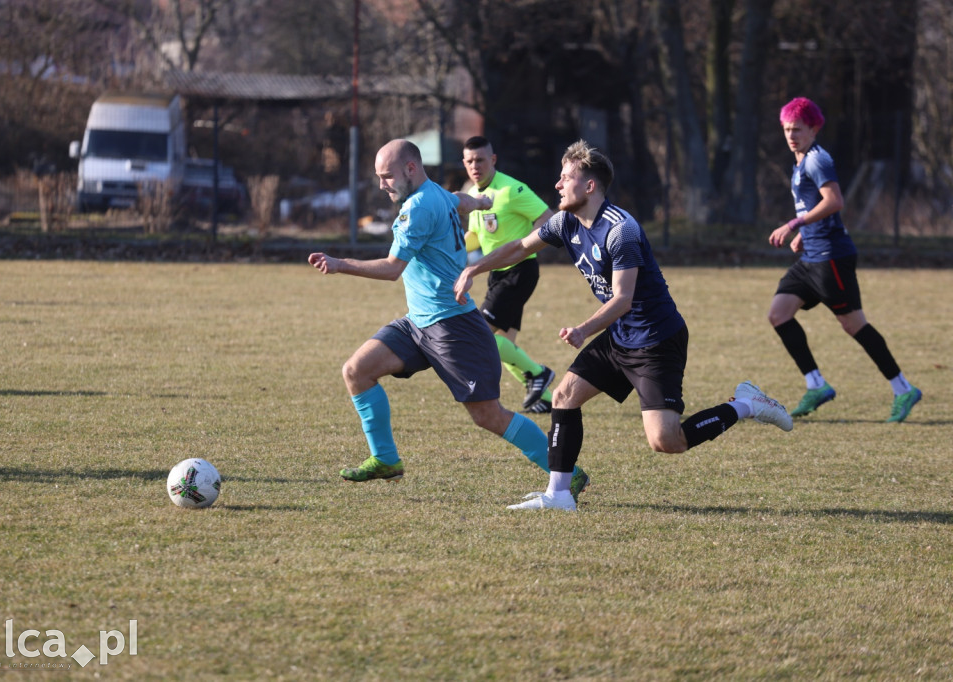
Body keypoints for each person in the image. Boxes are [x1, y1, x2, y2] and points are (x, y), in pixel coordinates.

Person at [454, 139, 793, 511]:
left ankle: (746, 404)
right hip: (620, 335)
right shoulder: (566, 221)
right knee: (565, 396)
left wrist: (583, 329)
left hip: (655, 340)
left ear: (589, 186)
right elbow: (519, 247)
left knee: (667, 441)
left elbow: (623, 299)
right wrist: (474, 267)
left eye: (565, 178)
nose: (557, 185)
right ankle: (559, 495)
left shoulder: (621, 230)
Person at [308, 139, 589, 497]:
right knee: (356, 371)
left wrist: (339, 264)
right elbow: (464, 199)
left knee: (488, 416)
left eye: (387, 176)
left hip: (454, 327)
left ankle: (567, 471)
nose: (382, 185)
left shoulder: (420, 207)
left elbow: (393, 269)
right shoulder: (439, 194)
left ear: (411, 168)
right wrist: (482, 201)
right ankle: (385, 460)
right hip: (418, 323)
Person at [768, 97, 922, 422]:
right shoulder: (800, 160)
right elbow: (813, 207)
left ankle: (903, 388)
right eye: (787, 129)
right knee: (779, 314)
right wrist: (803, 235)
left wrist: (795, 225)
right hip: (811, 255)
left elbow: (834, 201)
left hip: (831, 258)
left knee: (853, 325)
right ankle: (817, 385)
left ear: (813, 128)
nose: (791, 135)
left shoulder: (816, 160)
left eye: (797, 129)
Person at [462, 136, 557, 414]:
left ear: (492, 160)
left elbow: (547, 218)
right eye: (469, 161)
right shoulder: (473, 194)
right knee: (504, 345)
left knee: (480, 335)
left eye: (480, 159)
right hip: (497, 274)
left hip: (520, 270)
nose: (475, 166)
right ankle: (546, 398)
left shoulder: (511, 189)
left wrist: (523, 246)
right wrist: (452, 249)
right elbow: (477, 237)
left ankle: (538, 374)